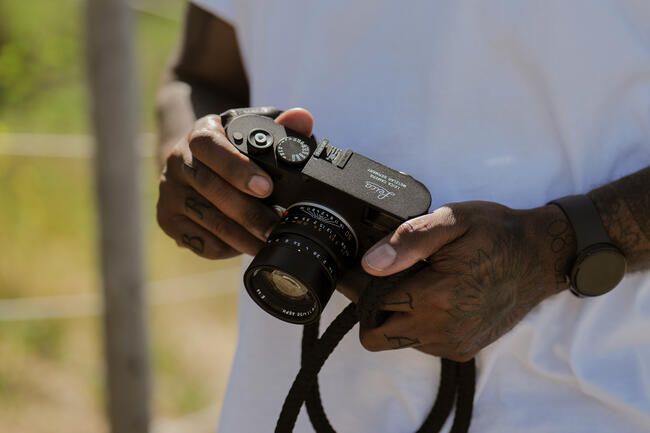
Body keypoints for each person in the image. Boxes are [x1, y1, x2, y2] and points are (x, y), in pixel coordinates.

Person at [155, 1, 650, 432]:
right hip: (285, 404)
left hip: (588, 405)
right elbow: (197, 77)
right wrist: (200, 164)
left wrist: (555, 247)